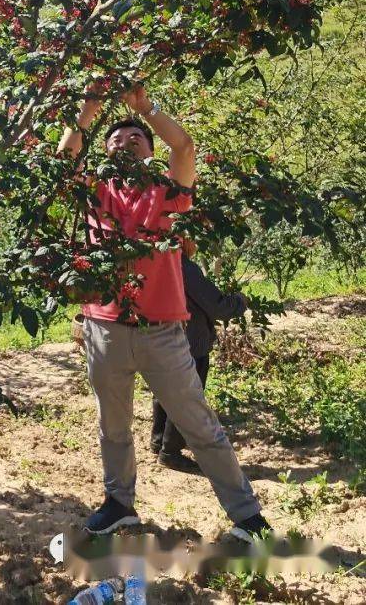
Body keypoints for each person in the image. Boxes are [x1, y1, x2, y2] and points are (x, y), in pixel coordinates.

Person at [58, 85, 270, 543]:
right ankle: (119, 505)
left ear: (151, 150)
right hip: (104, 328)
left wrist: (145, 109)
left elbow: (185, 146)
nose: (126, 140)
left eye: (137, 137)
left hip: (163, 333)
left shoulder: (169, 192)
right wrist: (90, 107)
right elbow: (63, 162)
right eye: (117, 138)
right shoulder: (96, 193)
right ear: (105, 150)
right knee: (112, 427)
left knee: (198, 426)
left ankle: (249, 517)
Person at [151, 253, 247, 473]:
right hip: (190, 342)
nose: (194, 244)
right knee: (186, 396)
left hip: (161, 340)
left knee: (164, 390)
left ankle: (159, 441)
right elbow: (217, 306)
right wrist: (239, 301)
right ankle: (170, 452)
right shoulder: (184, 267)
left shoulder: (153, 260)